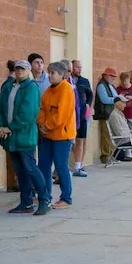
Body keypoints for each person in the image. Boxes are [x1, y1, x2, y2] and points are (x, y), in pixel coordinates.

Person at [0, 60, 47, 215]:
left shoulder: (31, 88)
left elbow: (28, 113)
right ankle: (26, 202)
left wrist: (10, 127)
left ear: (28, 71)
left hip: (24, 136)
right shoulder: (8, 87)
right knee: (20, 170)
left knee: (30, 168)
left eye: (23, 69)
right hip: (10, 137)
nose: (19, 71)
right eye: (17, 69)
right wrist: (0, 125)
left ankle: (44, 199)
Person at [37, 62, 77, 209]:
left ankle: (66, 198)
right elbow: (41, 109)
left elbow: (61, 115)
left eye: (53, 73)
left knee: (61, 166)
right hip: (48, 135)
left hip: (62, 135)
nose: (50, 75)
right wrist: (41, 124)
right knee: (43, 165)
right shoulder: (48, 91)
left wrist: (47, 125)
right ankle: (45, 196)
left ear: (62, 75)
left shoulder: (66, 90)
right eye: (49, 72)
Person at [69, 60, 94, 176]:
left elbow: (90, 94)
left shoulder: (84, 81)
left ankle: (78, 165)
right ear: (71, 68)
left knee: (81, 139)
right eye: (77, 67)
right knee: (70, 140)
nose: (79, 69)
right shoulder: (66, 80)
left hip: (83, 114)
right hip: (70, 114)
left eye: (80, 67)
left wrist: (88, 104)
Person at [93, 67, 119, 165]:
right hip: (104, 114)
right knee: (106, 136)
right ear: (107, 76)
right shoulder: (101, 86)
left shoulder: (109, 85)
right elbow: (104, 99)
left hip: (110, 114)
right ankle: (105, 156)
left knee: (110, 136)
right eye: (112, 76)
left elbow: (115, 96)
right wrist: (116, 100)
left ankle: (111, 155)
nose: (114, 78)